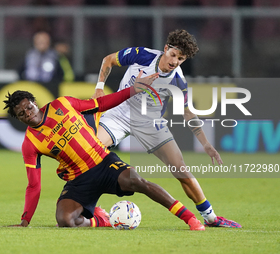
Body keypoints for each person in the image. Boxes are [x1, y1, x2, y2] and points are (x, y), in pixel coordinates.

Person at [4, 71, 205, 230]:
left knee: (137, 181)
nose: (28, 114)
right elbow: (33, 186)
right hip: (79, 179)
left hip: (104, 162)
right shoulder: (30, 144)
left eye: (28, 107)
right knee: (65, 220)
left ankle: (189, 218)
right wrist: (25, 220)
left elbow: (100, 104)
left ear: (34, 103)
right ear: (19, 119)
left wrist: (132, 90)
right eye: (22, 114)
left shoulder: (63, 104)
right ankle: (100, 220)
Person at [92, 29, 241, 228]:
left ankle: (211, 217)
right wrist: (100, 86)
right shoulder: (142, 55)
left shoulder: (178, 80)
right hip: (119, 113)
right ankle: (90, 209)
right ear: (165, 49)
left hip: (150, 122)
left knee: (181, 170)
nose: (175, 61)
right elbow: (108, 60)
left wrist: (206, 144)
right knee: (87, 153)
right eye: (173, 55)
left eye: (181, 59)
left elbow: (188, 113)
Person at [18, 31, 64, 98]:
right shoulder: (29, 56)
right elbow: (20, 71)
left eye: (44, 41)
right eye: (39, 41)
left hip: (49, 91)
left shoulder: (55, 57)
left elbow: (61, 74)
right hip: (30, 88)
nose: (42, 44)